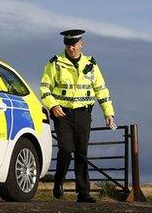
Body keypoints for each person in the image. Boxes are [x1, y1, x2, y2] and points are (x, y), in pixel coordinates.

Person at [39, 29, 115, 202]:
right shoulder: (55, 63)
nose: (71, 48)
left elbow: (101, 90)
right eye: (68, 45)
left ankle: (83, 192)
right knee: (65, 150)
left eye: (74, 45)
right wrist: (53, 105)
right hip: (62, 114)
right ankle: (59, 182)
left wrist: (108, 112)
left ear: (81, 44)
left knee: (81, 153)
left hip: (83, 114)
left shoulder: (91, 64)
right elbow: (44, 88)